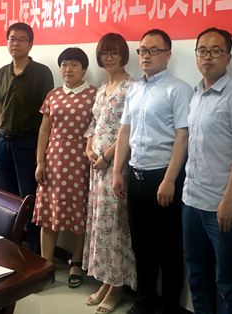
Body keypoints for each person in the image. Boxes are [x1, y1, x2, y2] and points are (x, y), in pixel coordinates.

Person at [113, 29, 193, 314]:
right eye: (143, 50)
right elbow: (125, 131)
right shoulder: (135, 89)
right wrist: (117, 171)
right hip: (135, 176)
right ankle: (144, 303)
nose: (146, 56)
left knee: (168, 251)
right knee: (141, 247)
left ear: (167, 54)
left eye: (153, 50)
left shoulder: (179, 89)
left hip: (164, 178)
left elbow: (182, 136)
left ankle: (169, 308)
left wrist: (170, 180)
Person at [182, 28, 232, 314]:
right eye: (202, 50)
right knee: (197, 274)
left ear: (228, 57)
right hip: (190, 201)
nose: (207, 57)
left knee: (228, 281)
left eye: (215, 51)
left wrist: (228, 201)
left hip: (219, 206)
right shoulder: (196, 92)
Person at [0, 22, 54, 254]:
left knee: (30, 199)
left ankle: (34, 253)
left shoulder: (41, 72)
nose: (15, 43)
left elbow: (47, 113)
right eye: (12, 39)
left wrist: (41, 152)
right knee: (5, 200)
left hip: (27, 143)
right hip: (2, 142)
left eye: (21, 39)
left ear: (31, 44)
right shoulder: (3, 72)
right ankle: (8, 247)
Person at [34, 47, 97, 288]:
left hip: (82, 162)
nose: (68, 69)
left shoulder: (94, 94)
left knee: (79, 213)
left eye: (74, 64)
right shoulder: (53, 94)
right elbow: (44, 130)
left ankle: (76, 262)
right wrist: (40, 161)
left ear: (84, 69)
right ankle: (46, 264)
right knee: (49, 213)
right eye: (64, 64)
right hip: (53, 161)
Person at [83, 33, 136, 313]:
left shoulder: (132, 87)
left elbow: (129, 130)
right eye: (105, 53)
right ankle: (106, 280)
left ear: (124, 55)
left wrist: (106, 157)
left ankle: (117, 287)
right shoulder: (102, 88)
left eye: (115, 53)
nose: (110, 58)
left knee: (116, 226)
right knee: (101, 225)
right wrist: (89, 148)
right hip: (97, 168)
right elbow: (95, 123)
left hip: (117, 167)